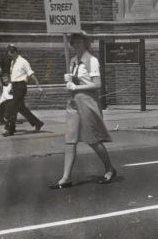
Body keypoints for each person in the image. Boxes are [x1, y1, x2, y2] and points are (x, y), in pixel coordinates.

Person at [50, 32, 116, 189]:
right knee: (70, 139)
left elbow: (97, 84)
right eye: (74, 42)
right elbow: (73, 83)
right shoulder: (72, 61)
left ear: (86, 43)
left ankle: (110, 168)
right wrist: (69, 81)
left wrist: (76, 86)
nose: (76, 44)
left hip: (87, 102)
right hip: (73, 102)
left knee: (92, 139)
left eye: (80, 41)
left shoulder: (92, 61)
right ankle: (66, 178)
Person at [2, 44, 44, 137]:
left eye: (12, 54)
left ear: (16, 52)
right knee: (21, 108)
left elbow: (31, 74)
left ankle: (10, 129)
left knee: (12, 107)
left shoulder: (23, 62)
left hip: (21, 87)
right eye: (9, 54)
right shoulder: (13, 62)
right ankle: (37, 123)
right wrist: (11, 86)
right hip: (15, 86)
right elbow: (14, 76)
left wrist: (38, 86)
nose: (10, 56)